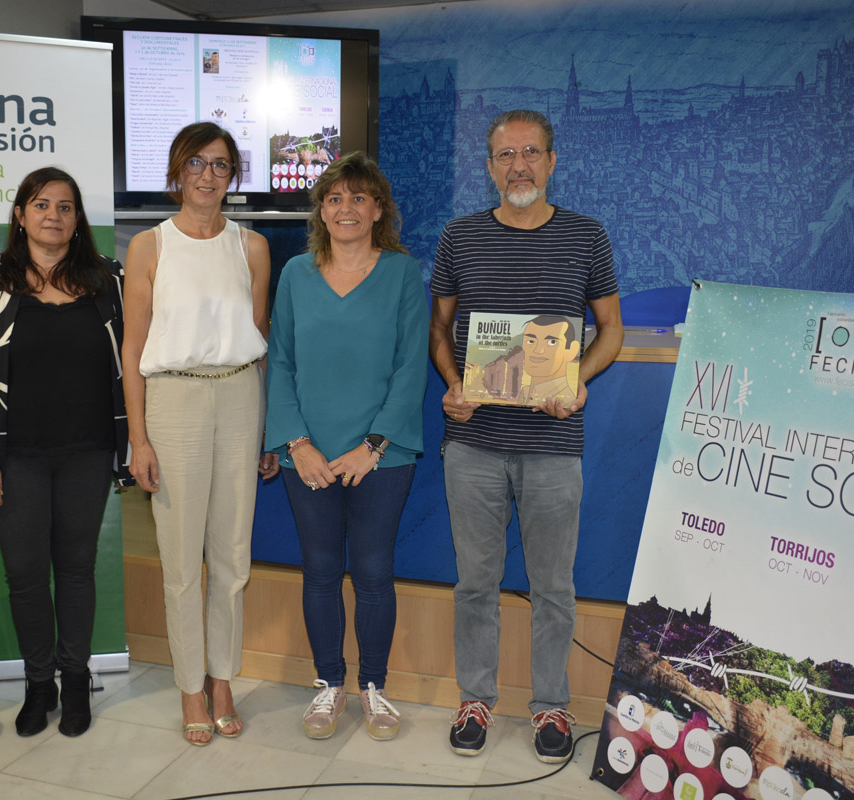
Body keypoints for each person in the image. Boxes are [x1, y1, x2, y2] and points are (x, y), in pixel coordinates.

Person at [429, 109, 623, 764]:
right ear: (488, 167)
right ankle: (476, 698)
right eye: (505, 155)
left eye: (531, 153)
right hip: (475, 443)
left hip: (553, 445)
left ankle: (551, 708)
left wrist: (580, 379)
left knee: (553, 588)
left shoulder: (586, 236)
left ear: (551, 160)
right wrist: (454, 384)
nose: (519, 165)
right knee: (475, 583)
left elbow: (611, 331)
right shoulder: (459, 237)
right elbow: (439, 330)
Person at [0, 167, 130, 738]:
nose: (53, 215)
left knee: (76, 570)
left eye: (66, 206)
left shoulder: (109, 278)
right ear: (20, 215)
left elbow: (132, 361)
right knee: (26, 575)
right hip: (15, 454)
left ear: (78, 219)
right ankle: (38, 684)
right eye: (41, 204)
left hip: (87, 449)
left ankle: (75, 681)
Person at [121, 121, 278, 746]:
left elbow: (261, 342)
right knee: (182, 557)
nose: (207, 175)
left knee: (232, 555)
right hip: (174, 400)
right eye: (195, 164)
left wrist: (268, 429)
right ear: (176, 172)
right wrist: (139, 438)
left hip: (240, 393)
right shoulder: (149, 247)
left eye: (219, 164)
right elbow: (132, 347)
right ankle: (190, 684)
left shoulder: (254, 247)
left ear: (232, 175)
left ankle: (222, 677)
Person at [265, 153, 428, 741]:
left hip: (381, 457)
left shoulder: (403, 274)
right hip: (305, 454)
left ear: (378, 209)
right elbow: (278, 362)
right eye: (334, 198)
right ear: (321, 211)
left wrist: (373, 446)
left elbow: (412, 368)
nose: (346, 208)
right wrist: (297, 444)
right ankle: (329, 684)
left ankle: (374, 690)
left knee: (374, 571)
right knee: (320, 570)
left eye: (359, 197)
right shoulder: (294, 275)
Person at [519, 315, 581, 403]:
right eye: (531, 341)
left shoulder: (567, 401)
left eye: (552, 342)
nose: (538, 350)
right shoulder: (524, 393)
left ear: (572, 351)